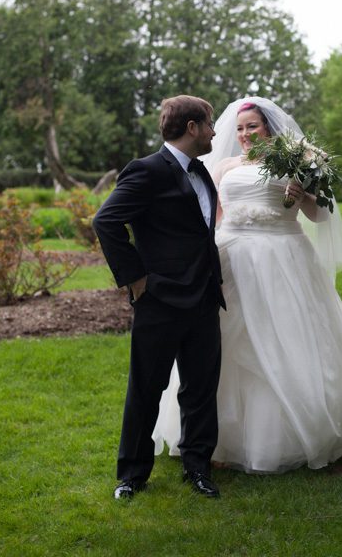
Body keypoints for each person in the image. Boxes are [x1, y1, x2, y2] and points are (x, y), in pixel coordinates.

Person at [152, 96, 342, 474]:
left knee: (283, 336)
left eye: (252, 126)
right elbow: (212, 215)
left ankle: (289, 434)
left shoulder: (297, 162)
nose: (245, 134)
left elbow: (320, 216)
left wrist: (304, 197)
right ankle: (214, 437)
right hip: (233, 257)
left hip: (282, 256)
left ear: (269, 127)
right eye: (240, 128)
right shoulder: (223, 167)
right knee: (222, 344)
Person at [94, 95, 225, 499]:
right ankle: (132, 475)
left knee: (201, 389)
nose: (215, 131)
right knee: (146, 388)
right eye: (210, 123)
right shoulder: (147, 170)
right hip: (161, 300)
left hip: (204, 296)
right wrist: (135, 278)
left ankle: (198, 467)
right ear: (192, 127)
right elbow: (106, 221)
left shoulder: (201, 172)